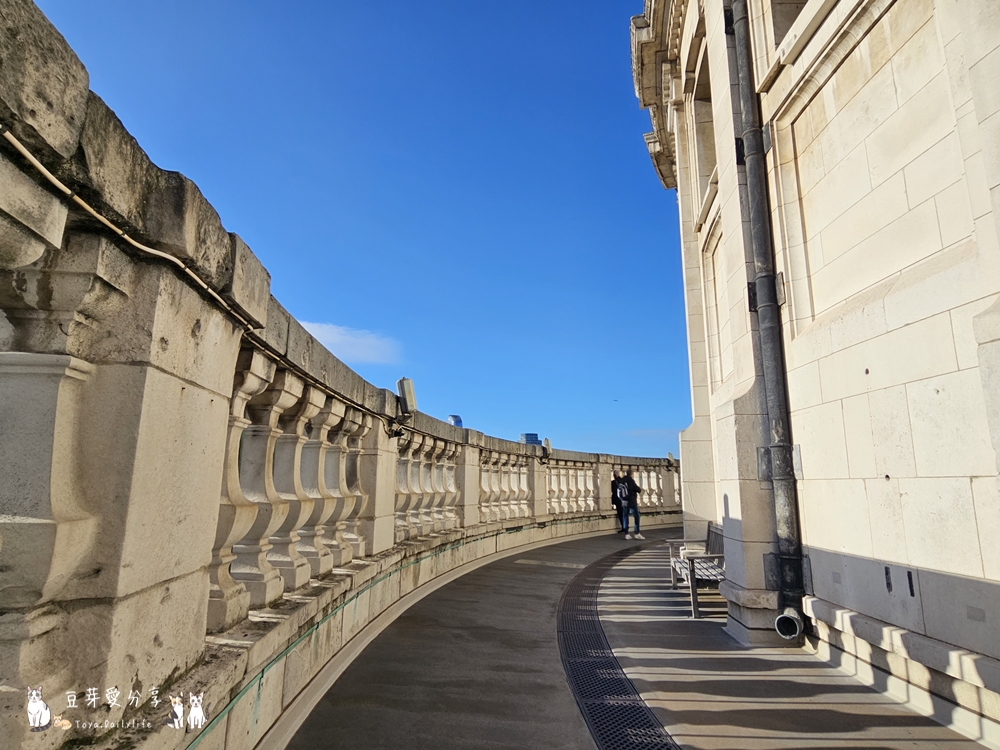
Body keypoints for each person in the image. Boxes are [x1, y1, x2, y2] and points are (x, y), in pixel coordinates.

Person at [620, 469, 644, 540]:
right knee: (636, 516)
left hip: (624, 501)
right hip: (631, 501)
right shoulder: (631, 481)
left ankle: (626, 534)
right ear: (631, 474)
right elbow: (638, 489)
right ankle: (637, 533)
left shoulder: (622, 480)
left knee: (625, 517)